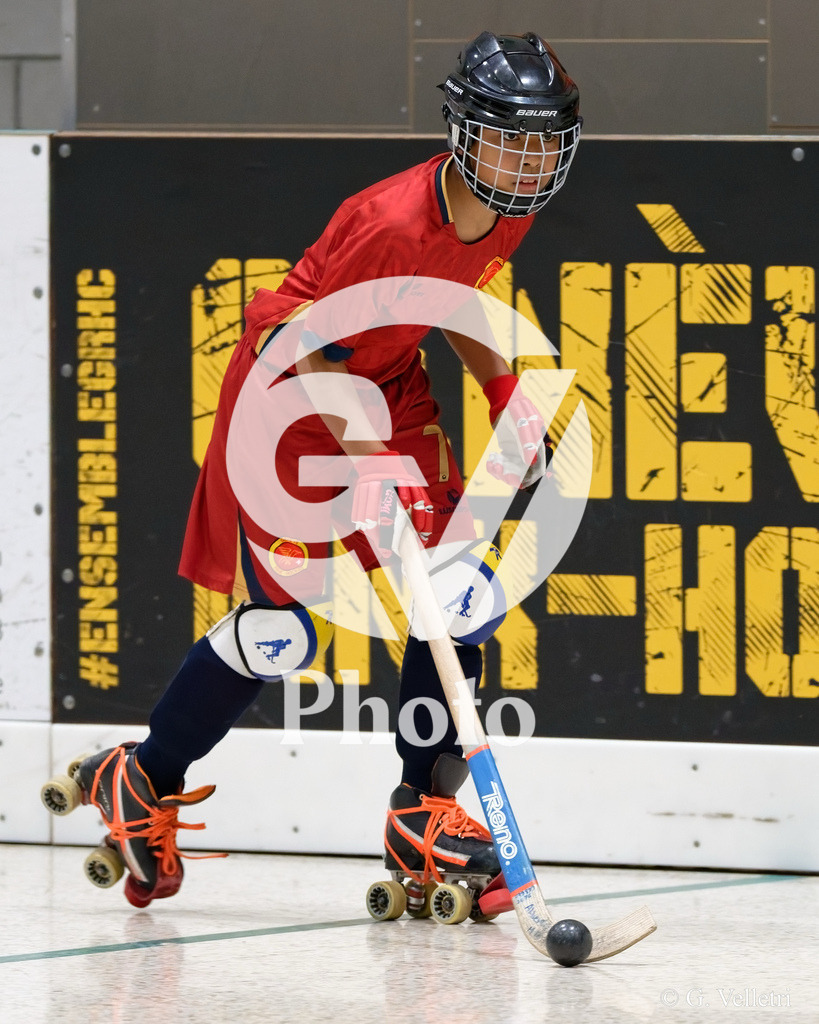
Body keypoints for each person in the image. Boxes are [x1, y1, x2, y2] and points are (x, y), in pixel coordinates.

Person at [49, 31, 582, 908]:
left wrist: (501, 393)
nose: (525, 162)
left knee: (456, 595)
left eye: (541, 141)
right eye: (507, 138)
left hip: (383, 382)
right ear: (462, 132)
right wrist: (371, 468)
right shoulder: (386, 223)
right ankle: (141, 775)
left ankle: (424, 812)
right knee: (278, 636)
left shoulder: (509, 207)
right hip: (291, 396)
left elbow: (455, 297)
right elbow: (312, 357)